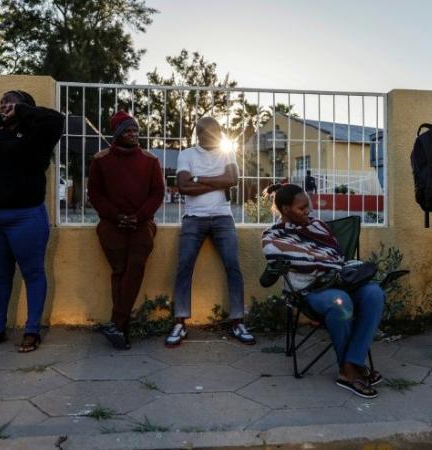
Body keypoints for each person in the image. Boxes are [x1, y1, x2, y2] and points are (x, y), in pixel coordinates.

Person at [261, 184, 385, 398]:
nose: (308, 212)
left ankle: (351, 363)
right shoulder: (274, 235)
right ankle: (350, 371)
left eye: (308, 206)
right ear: (286, 209)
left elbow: (334, 257)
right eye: (302, 209)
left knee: (374, 293)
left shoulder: (318, 227)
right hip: (309, 292)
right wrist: (319, 264)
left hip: (339, 282)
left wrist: (325, 264)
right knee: (341, 302)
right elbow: (285, 260)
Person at [0, 90, 64, 353]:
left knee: (33, 274)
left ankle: (32, 331)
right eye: (2, 103)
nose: (5, 106)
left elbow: (56, 119)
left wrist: (22, 111)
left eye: (12, 103)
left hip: (26, 218)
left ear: (25, 108)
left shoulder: (38, 136)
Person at [165, 117, 255, 346]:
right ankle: (180, 323)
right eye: (210, 132)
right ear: (200, 134)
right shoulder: (187, 154)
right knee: (184, 266)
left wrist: (199, 179)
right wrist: (218, 183)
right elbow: (183, 186)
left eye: (218, 132)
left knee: (233, 266)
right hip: (194, 219)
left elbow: (233, 179)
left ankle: (237, 322)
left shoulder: (226, 152)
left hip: (223, 217)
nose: (216, 136)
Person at [88, 111, 164, 350]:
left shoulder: (150, 160)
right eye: (128, 131)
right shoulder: (100, 160)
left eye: (135, 131)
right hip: (112, 224)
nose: (133, 135)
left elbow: (157, 193)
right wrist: (116, 216)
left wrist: (138, 216)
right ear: (118, 134)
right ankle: (121, 329)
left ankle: (117, 323)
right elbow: (95, 194)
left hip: (142, 223)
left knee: (135, 266)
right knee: (119, 270)